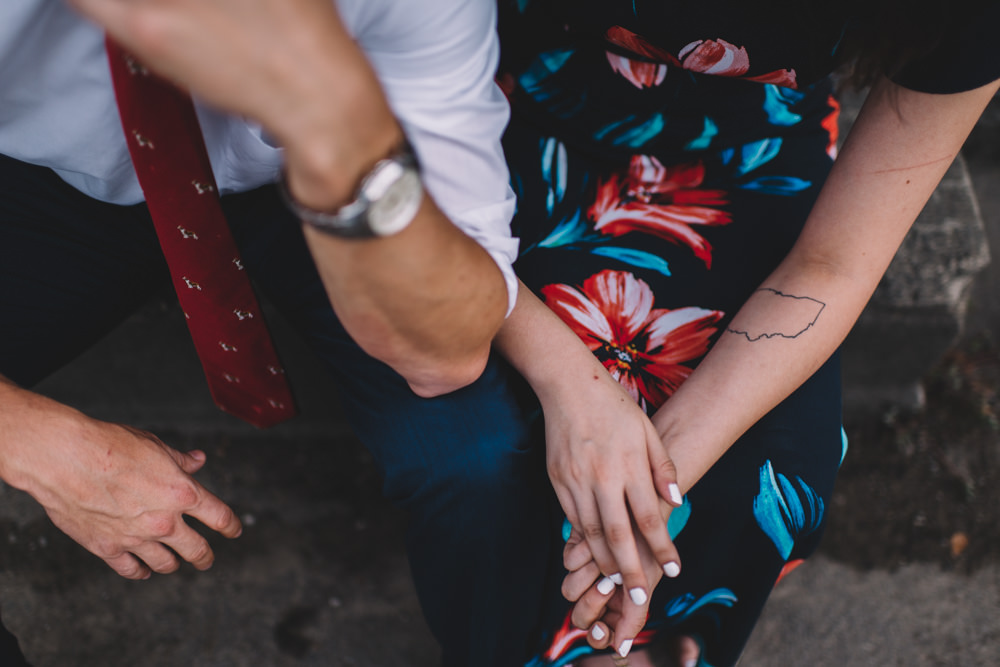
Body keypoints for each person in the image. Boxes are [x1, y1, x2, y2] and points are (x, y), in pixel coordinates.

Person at [0, 1, 564, 665]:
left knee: (482, 456)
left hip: (322, 175)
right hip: (37, 179)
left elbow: (448, 352)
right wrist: (35, 442)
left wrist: (332, 128)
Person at [490, 1, 1000, 665]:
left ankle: (648, 649)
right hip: (500, 124)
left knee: (767, 476)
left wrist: (658, 481)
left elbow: (834, 265)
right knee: (517, 462)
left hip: (751, 150)